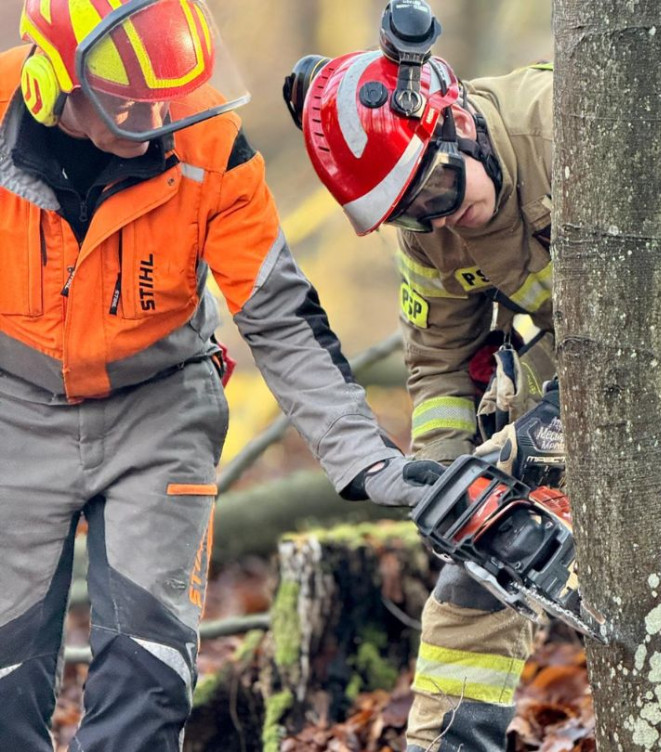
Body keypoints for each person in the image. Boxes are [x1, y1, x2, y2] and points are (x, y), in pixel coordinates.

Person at [0, 1, 437, 749]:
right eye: (134, 108)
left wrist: (367, 460)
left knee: (147, 673)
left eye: (169, 101)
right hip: (13, 404)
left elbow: (280, 317)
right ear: (52, 83)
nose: (159, 122)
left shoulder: (210, 142)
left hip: (158, 411)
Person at [286, 3, 556, 746]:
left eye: (433, 194)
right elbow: (438, 361)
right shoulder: (430, 238)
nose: (434, 224)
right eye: (409, 215)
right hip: (548, 399)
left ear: (456, 119)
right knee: (472, 583)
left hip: (656, 385)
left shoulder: (561, 129)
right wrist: (442, 474)